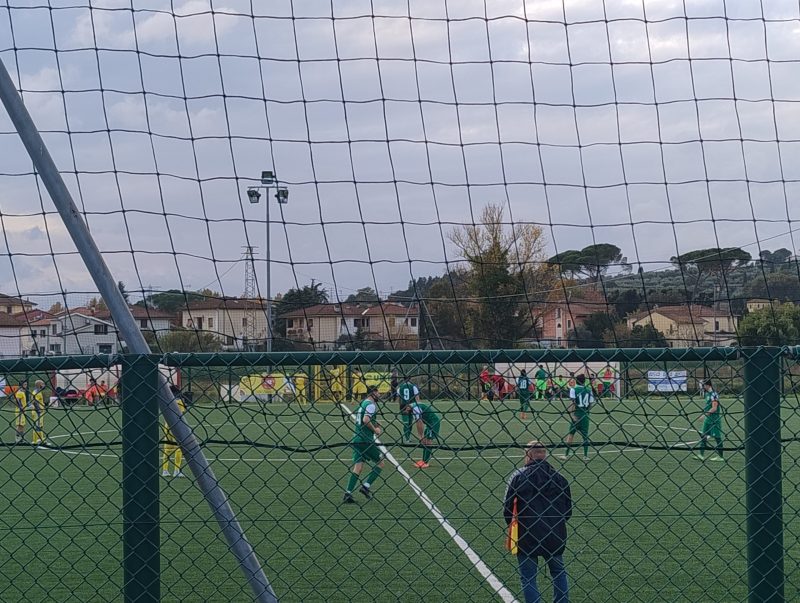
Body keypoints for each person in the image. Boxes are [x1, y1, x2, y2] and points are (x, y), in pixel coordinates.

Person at [504, 441, 572, 603]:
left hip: (527, 533)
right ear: (544, 454)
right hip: (555, 533)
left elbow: (507, 508)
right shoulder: (560, 477)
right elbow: (567, 510)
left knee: (528, 577)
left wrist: (514, 526)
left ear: (528, 455)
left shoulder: (518, 476)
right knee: (558, 572)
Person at [343, 385, 385, 504]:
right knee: (381, 463)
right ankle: (366, 487)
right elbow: (365, 420)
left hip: (356, 439)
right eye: (378, 393)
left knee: (358, 467)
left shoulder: (363, 403)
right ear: (373, 393)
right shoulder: (371, 405)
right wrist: (375, 430)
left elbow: (362, 418)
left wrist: (375, 422)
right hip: (365, 440)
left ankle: (348, 493)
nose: (379, 395)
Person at [560, 374, 593, 460]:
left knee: (571, 434)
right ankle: (585, 456)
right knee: (585, 436)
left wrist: (571, 415)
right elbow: (591, 404)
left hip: (576, 414)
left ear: (576, 380)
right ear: (584, 381)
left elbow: (573, 403)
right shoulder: (589, 390)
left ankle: (566, 454)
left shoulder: (573, 390)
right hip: (585, 415)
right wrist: (586, 411)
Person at [401, 398, 441, 468]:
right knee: (425, 441)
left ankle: (426, 462)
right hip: (429, 424)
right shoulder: (413, 407)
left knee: (428, 441)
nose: (406, 414)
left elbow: (419, 422)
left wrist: (420, 436)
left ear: (407, 407)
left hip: (433, 423)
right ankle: (423, 460)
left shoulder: (415, 408)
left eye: (405, 412)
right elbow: (418, 422)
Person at [161, 385, 188, 478]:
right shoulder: (179, 401)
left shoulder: (165, 401)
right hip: (176, 426)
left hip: (166, 425)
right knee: (179, 448)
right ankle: (176, 470)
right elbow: (183, 411)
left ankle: (165, 470)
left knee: (167, 449)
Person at [695, 379, 724, 462]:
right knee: (703, 436)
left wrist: (704, 415)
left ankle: (720, 456)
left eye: (703, 385)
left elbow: (714, 408)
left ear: (708, 385)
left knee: (717, 437)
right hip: (708, 419)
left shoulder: (714, 394)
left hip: (714, 419)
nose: (702, 387)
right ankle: (701, 455)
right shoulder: (707, 394)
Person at [396, 378, 420, 443]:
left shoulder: (399, 388)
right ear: (409, 380)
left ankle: (407, 438)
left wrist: (400, 407)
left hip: (403, 406)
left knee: (406, 423)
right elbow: (417, 398)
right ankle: (407, 437)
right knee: (410, 422)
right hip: (412, 405)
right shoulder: (413, 387)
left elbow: (398, 399)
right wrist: (417, 406)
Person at [30, 380, 47, 446]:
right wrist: (38, 410)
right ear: (39, 384)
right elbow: (34, 402)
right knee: (37, 426)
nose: (44, 385)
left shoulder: (39, 391)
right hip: (37, 412)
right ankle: (34, 441)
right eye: (42, 384)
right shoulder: (35, 392)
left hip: (40, 411)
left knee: (40, 426)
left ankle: (41, 439)